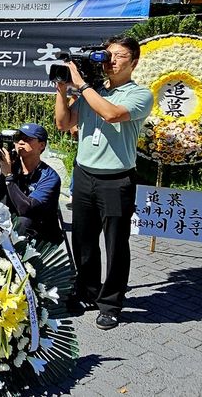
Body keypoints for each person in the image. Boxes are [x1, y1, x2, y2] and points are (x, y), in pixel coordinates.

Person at [54, 35, 153, 331]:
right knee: (83, 240)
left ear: (133, 62)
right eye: (108, 54)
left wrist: (81, 85)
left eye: (119, 56)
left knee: (115, 244)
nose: (111, 61)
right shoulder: (93, 90)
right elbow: (64, 123)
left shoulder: (140, 94)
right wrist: (61, 89)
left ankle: (110, 303)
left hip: (116, 180)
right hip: (84, 175)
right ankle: (87, 292)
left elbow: (111, 114)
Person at [0, 122, 63, 245]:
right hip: (11, 226)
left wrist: (9, 177)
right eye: (18, 138)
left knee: (23, 221)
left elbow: (26, 210)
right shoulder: (13, 167)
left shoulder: (49, 177)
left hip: (40, 232)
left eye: (27, 139)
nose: (21, 142)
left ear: (42, 145)